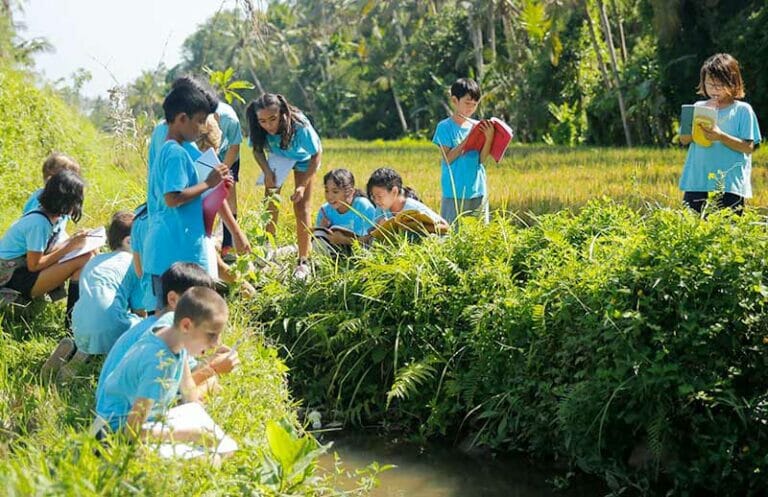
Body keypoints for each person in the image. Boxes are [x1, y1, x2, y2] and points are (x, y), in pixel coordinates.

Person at [94, 262, 239, 420]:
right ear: (173, 299)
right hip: (120, 414)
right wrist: (214, 368)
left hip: (114, 403)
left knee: (207, 385)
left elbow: (185, 380)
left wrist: (211, 361)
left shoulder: (170, 325)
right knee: (210, 383)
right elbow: (171, 383)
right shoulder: (161, 348)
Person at [143, 81, 229, 309]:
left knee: (165, 318)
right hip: (176, 250)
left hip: (167, 249)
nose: (202, 128)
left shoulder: (167, 148)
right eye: (200, 121)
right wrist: (208, 183)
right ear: (182, 119)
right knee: (185, 314)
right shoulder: (176, 154)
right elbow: (173, 197)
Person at [245, 93, 322, 279]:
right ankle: (267, 252)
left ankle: (303, 261)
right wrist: (267, 172)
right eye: (263, 121)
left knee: (301, 206)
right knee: (270, 203)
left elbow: (316, 154)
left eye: (273, 119)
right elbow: (257, 151)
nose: (269, 126)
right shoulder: (258, 126)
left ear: (282, 113)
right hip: (279, 157)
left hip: (304, 158)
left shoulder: (300, 126)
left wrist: (302, 185)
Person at [0, 170, 92, 320]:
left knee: (89, 251)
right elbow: (34, 265)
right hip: (13, 278)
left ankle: (83, 313)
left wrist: (73, 240)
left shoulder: (49, 216)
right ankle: (72, 319)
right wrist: (70, 246)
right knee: (84, 258)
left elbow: (44, 250)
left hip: (22, 271)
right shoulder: (39, 223)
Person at [679, 53, 762, 214]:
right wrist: (699, 119)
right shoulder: (698, 106)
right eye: (710, 85)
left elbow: (748, 147)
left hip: (729, 184)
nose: (713, 90)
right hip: (697, 181)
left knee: (727, 232)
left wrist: (720, 136)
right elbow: (684, 140)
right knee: (690, 229)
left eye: (719, 85)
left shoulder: (742, 110)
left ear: (733, 83)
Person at [63, 211, 144, 365]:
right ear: (130, 241)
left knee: (101, 326)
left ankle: (80, 352)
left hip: (78, 326)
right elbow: (140, 310)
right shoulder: (134, 264)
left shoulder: (95, 261)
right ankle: (114, 357)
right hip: (110, 326)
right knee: (146, 328)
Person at [195, 114, 251, 282]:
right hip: (193, 232)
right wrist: (237, 233)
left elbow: (215, 197)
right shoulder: (198, 161)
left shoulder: (185, 155)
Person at [432, 78, 495, 225]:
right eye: (467, 103)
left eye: (474, 105)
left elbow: (481, 159)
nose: (471, 108)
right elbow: (448, 159)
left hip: (477, 189)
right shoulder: (445, 127)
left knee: (479, 235)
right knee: (452, 233)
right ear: (454, 100)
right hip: (454, 192)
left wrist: (489, 137)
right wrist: (467, 140)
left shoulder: (478, 126)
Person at [314, 168, 376, 253]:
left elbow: (370, 240)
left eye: (335, 192)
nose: (329, 196)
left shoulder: (363, 206)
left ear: (350, 192)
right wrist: (322, 228)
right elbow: (316, 241)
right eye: (326, 191)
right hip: (334, 252)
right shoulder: (325, 211)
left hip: (361, 253)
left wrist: (344, 240)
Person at [366, 167, 448, 231]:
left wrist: (416, 227)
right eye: (373, 196)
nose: (376, 201)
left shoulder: (413, 208)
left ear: (394, 191)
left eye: (379, 196)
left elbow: (446, 227)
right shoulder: (381, 208)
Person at [214, 101, 244, 261]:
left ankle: (228, 243)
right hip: (204, 152)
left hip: (228, 155)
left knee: (228, 192)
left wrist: (223, 170)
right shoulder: (192, 120)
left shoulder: (230, 121)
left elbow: (234, 147)